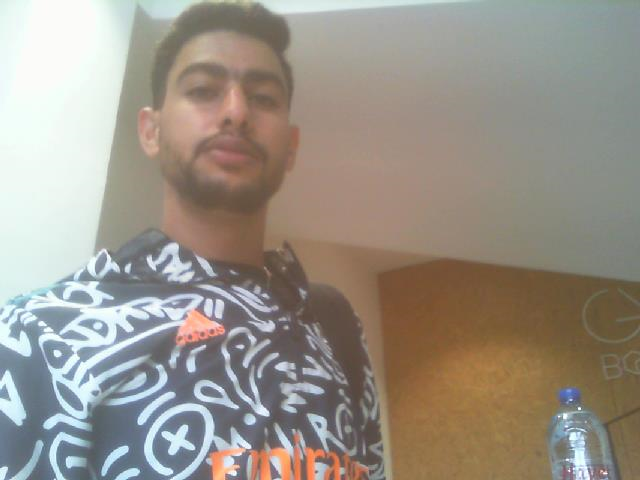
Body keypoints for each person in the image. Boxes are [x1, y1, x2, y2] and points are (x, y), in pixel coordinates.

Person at [0, 2, 385, 479]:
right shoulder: (41, 335)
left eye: (264, 98)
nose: (237, 112)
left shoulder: (333, 324)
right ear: (151, 131)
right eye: (203, 90)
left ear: (290, 147)